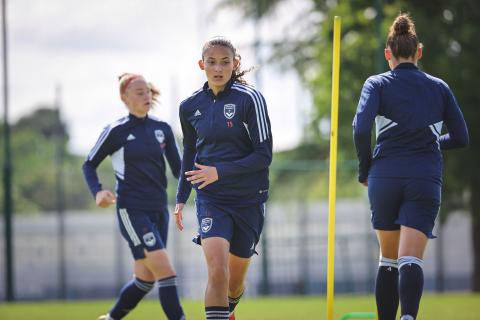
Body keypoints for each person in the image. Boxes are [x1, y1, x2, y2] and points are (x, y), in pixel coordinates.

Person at [353, 13, 469, 320]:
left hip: (384, 177)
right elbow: (461, 137)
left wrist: (365, 169)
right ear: (419, 52)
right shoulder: (440, 87)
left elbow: (361, 129)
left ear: (387, 53)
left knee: (388, 259)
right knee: (410, 259)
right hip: (424, 178)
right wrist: (430, 141)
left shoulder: (376, 83)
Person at [174, 37, 272, 320]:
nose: (218, 68)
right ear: (201, 65)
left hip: (248, 200)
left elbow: (264, 155)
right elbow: (189, 153)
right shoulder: (189, 106)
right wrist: (181, 198)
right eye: (212, 62)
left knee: (234, 282)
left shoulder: (249, 99)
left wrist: (220, 171)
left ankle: (228, 310)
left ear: (235, 64)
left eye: (225, 62)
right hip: (211, 199)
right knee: (217, 269)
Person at [82, 73, 186, 320]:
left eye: (148, 91)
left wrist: (201, 181)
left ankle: (110, 318)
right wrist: (98, 192)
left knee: (144, 279)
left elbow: (179, 170)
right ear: (124, 98)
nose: (146, 96)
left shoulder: (162, 129)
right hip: (131, 210)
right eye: (139, 92)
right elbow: (88, 164)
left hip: (159, 209)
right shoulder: (115, 131)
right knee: (165, 270)